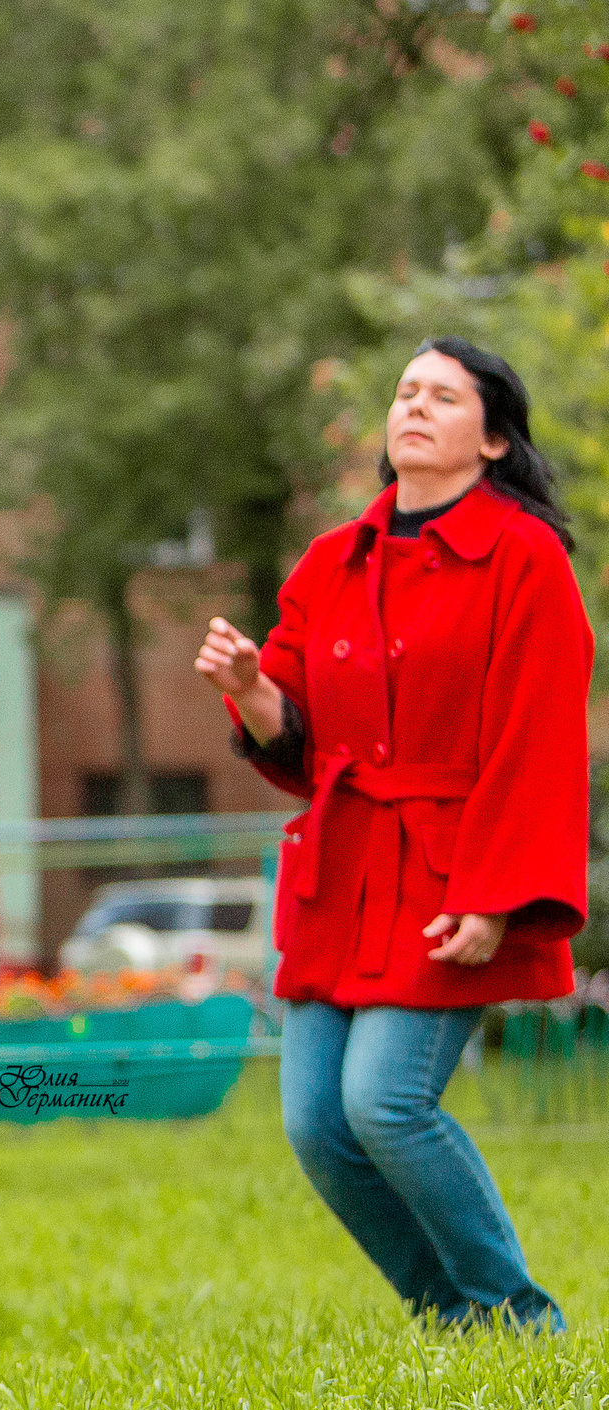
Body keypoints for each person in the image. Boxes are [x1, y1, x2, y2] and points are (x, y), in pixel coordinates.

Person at [196, 336, 586, 1331]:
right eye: (405, 392)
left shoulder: (524, 557)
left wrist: (494, 898)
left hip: (455, 873)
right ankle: (451, 1315)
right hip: (344, 871)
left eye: (443, 397)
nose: (413, 407)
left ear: (492, 438)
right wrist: (248, 687)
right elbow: (295, 740)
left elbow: (536, 739)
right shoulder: (332, 562)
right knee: (317, 1125)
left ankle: (515, 1313)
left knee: (385, 1104)